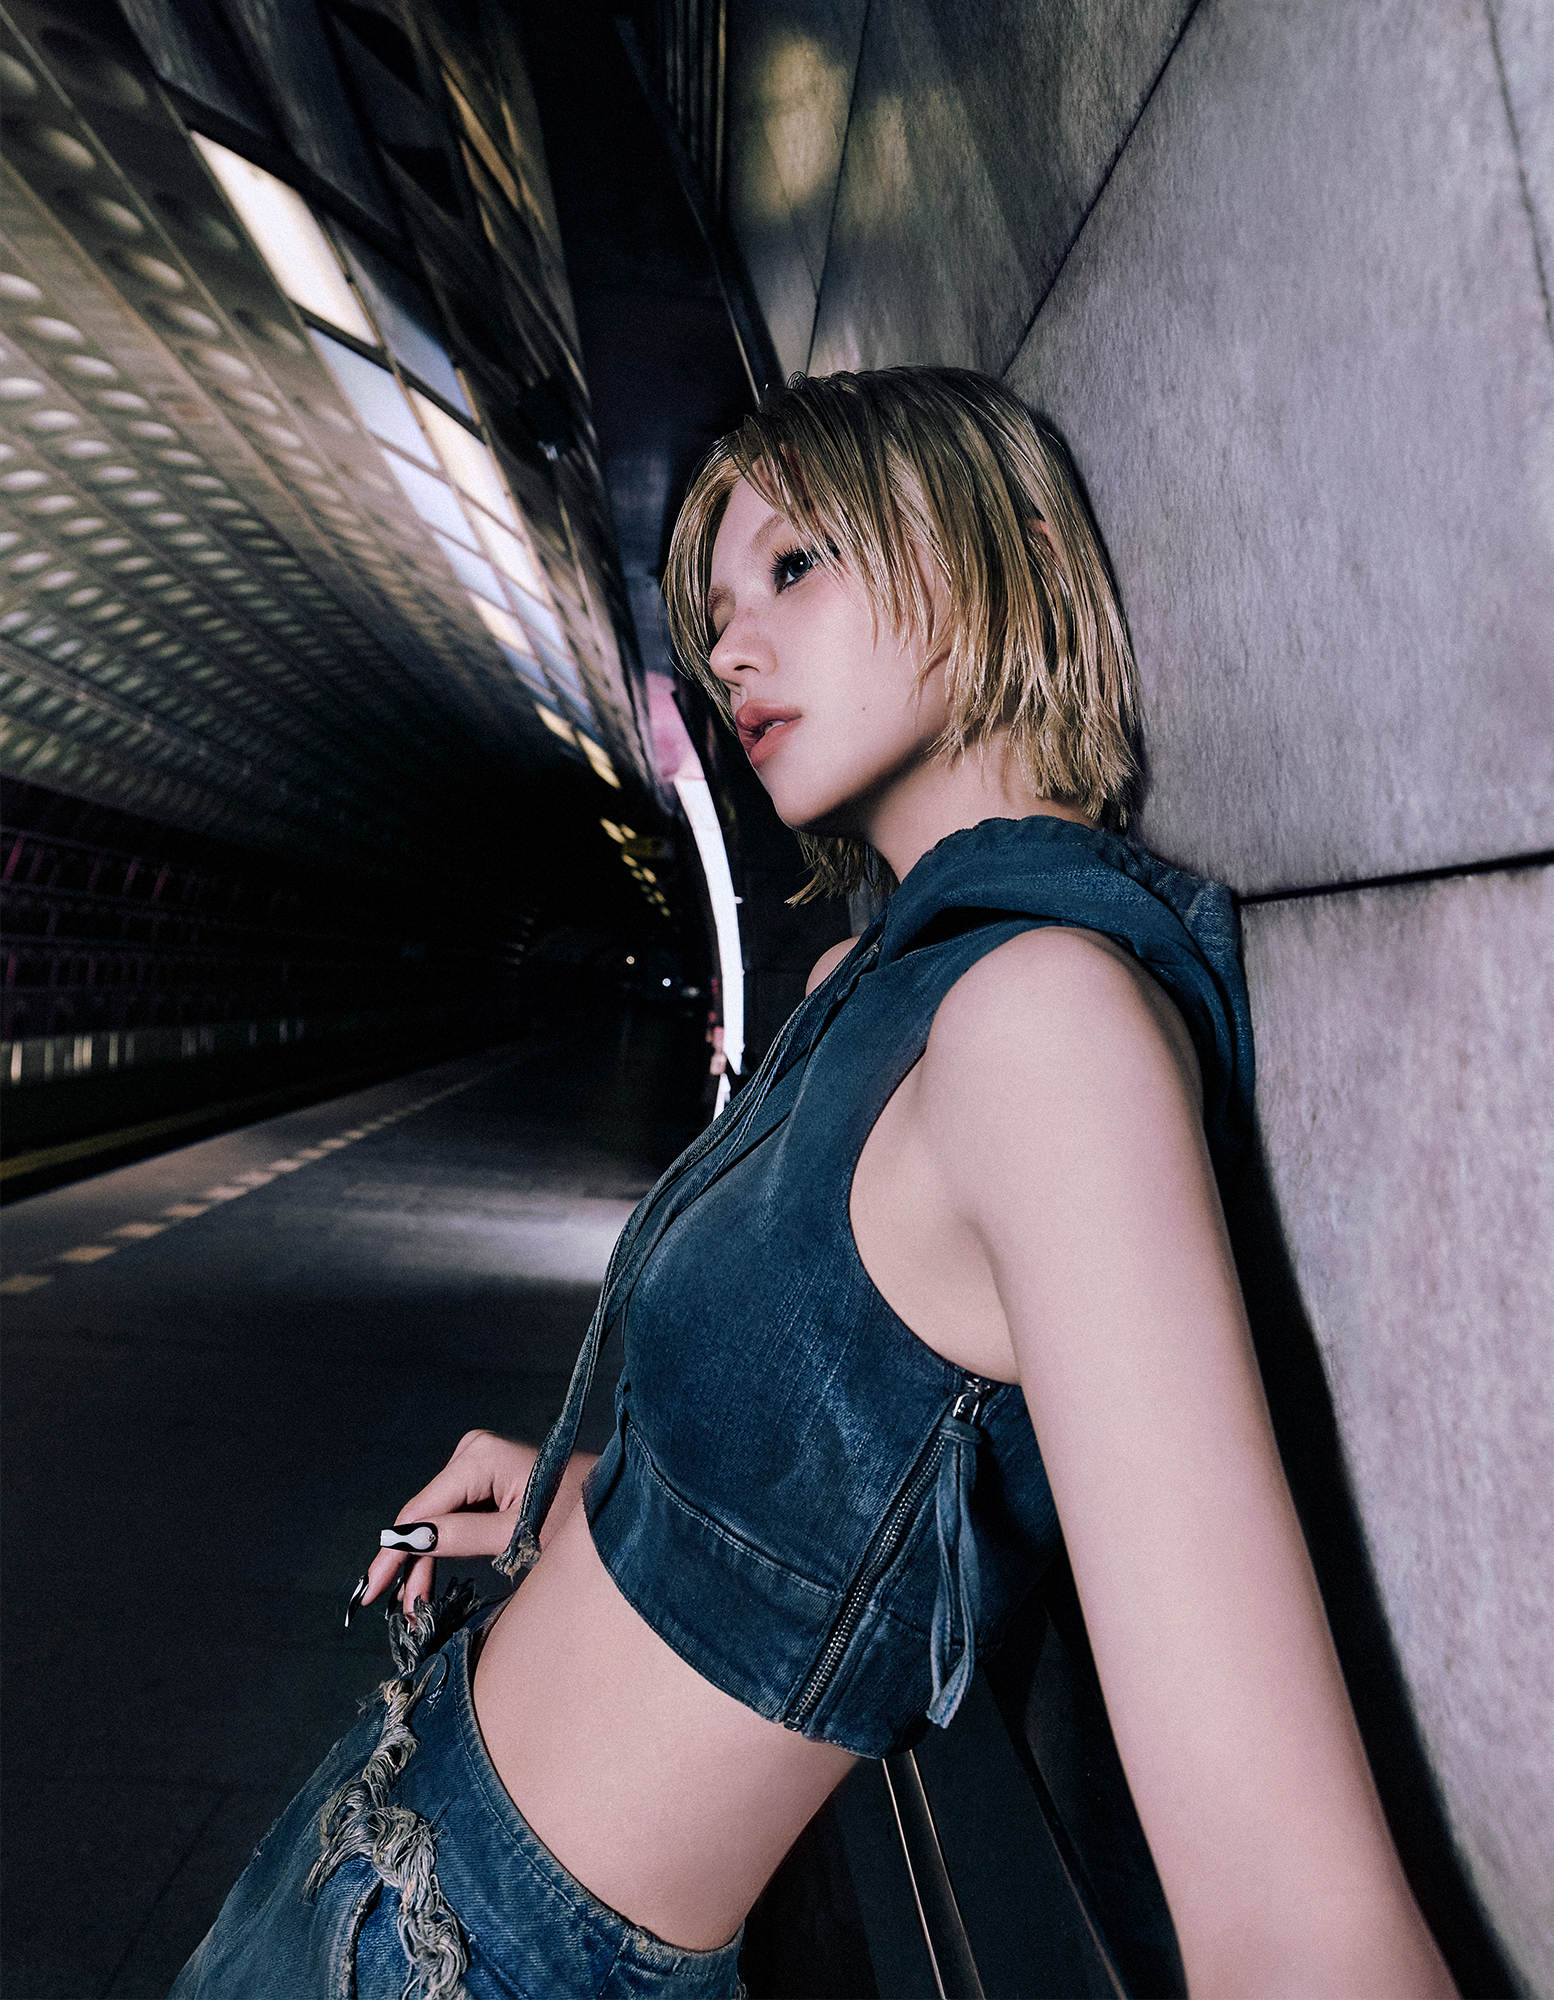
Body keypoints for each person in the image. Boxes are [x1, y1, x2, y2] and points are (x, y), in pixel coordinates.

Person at [172, 368, 1455, 1999]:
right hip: (371, 1832)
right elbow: (844, 1495)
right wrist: (586, 1499)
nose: (729, 652)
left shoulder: (1044, 1030)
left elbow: (1290, 1907)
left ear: (1018, 550)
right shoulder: (869, 986)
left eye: (795, 565)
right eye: (716, 613)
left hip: (486, 1957)